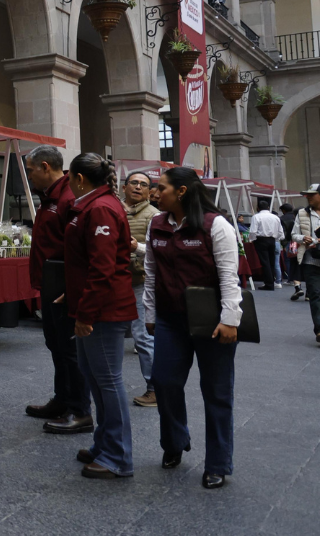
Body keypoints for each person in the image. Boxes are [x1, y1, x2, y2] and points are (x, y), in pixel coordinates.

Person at [145, 167, 242, 490]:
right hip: (170, 320)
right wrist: (150, 312)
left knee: (216, 392)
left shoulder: (216, 226)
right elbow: (151, 272)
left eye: (161, 188)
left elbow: (230, 276)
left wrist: (230, 319)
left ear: (182, 191)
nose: (155, 193)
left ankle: (217, 463)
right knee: (164, 381)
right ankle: (174, 441)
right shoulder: (156, 224)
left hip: (212, 322)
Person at [64, 154, 136, 479]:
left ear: (79, 178)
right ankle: (105, 444)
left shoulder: (101, 208)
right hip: (94, 305)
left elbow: (103, 267)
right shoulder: (93, 205)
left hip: (103, 310)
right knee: (93, 375)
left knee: (108, 380)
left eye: (69, 176)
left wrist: (86, 313)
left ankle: (117, 456)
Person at [23, 145, 93, 435]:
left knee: (70, 350)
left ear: (45, 167)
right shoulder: (50, 197)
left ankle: (80, 410)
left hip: (63, 286)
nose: (29, 176)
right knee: (56, 346)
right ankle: (62, 399)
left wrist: (72, 287)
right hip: (50, 283)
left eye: (30, 170)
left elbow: (78, 248)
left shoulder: (68, 197)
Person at [122, 171, 159, 407]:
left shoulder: (154, 215)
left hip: (139, 281)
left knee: (143, 337)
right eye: (133, 183)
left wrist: (137, 247)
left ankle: (155, 388)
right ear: (124, 187)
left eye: (143, 184)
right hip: (114, 280)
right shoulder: (114, 208)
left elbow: (159, 249)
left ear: (149, 191)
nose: (138, 187)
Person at [291, 184, 320, 344]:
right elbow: (294, 234)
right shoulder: (302, 213)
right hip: (311, 260)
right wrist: (304, 238)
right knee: (315, 294)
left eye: (312, 195)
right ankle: (319, 330)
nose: (308, 197)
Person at [249, 198, 284, 290]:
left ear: (258, 208)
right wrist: (277, 239)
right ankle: (271, 282)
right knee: (272, 261)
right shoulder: (275, 217)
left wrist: (252, 239)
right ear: (268, 207)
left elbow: (253, 231)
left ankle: (269, 284)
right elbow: (280, 231)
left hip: (261, 240)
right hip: (272, 240)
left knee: (265, 262)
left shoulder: (256, 217)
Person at [281, 203, 302, 300]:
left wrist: (285, 244)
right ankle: (309, 294)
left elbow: (289, 236)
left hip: (295, 248)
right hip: (308, 248)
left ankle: (298, 287)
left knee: (294, 266)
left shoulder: (293, 223)